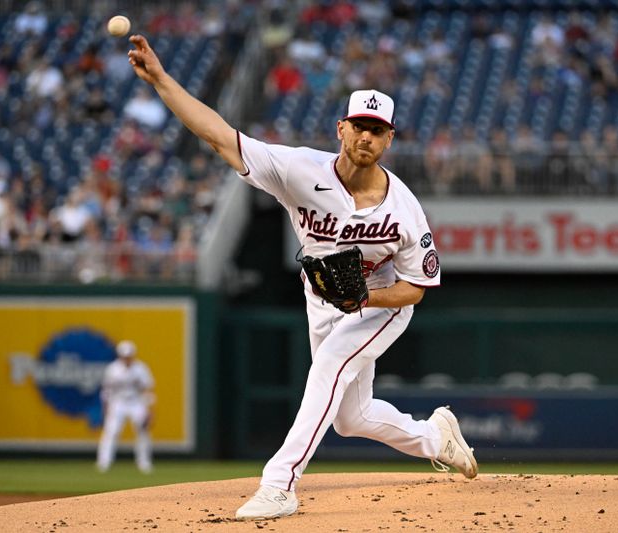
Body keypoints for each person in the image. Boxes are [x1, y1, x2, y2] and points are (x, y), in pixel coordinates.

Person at [126, 34, 478, 520]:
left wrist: (364, 302)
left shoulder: (404, 211)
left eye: (378, 130)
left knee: (332, 362)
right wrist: (163, 82)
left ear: (390, 138)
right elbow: (220, 136)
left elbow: (416, 288)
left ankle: (280, 483)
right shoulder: (297, 169)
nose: (366, 137)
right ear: (341, 128)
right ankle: (435, 437)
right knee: (351, 419)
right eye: (359, 126)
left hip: (382, 303)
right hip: (324, 302)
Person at [96, 340, 155, 474]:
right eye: (124, 356)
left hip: (136, 402)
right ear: (120, 356)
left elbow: (148, 390)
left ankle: (144, 462)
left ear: (133, 355)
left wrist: (150, 410)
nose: (127, 358)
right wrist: (105, 407)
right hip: (118, 403)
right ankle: (104, 462)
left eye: (129, 356)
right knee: (111, 431)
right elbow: (106, 390)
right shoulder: (113, 369)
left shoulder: (141, 368)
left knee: (143, 431)